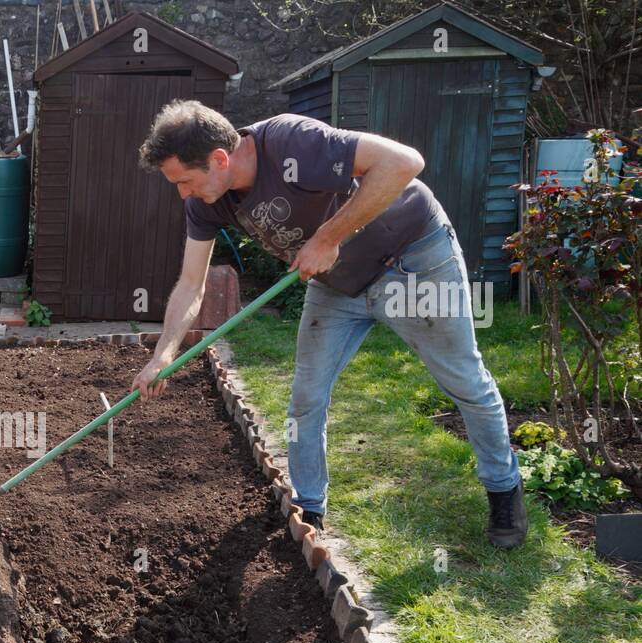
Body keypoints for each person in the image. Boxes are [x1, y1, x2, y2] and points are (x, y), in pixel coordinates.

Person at [132, 101, 526, 549]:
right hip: (337, 284)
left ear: (219, 159)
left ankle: (503, 488)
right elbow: (190, 284)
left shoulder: (291, 141)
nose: (182, 193)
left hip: (413, 260)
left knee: (463, 380)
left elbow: (404, 162)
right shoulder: (208, 203)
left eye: (184, 180)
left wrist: (326, 237)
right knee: (306, 397)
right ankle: (308, 509)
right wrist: (162, 355)